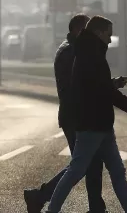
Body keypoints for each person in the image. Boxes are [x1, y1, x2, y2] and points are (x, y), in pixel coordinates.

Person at [45, 16, 127, 213]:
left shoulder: (90, 52)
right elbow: (106, 93)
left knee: (117, 170)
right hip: (91, 125)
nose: (110, 40)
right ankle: (52, 210)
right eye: (108, 35)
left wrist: (112, 85)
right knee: (75, 172)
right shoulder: (90, 56)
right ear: (98, 33)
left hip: (101, 125)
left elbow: (97, 86)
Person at [24, 13, 109, 213]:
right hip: (75, 116)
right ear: (78, 30)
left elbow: (87, 81)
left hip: (76, 114)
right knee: (84, 163)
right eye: (88, 31)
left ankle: (42, 196)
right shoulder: (71, 52)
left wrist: (109, 84)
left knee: (86, 163)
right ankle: (40, 196)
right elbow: (81, 84)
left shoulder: (72, 50)